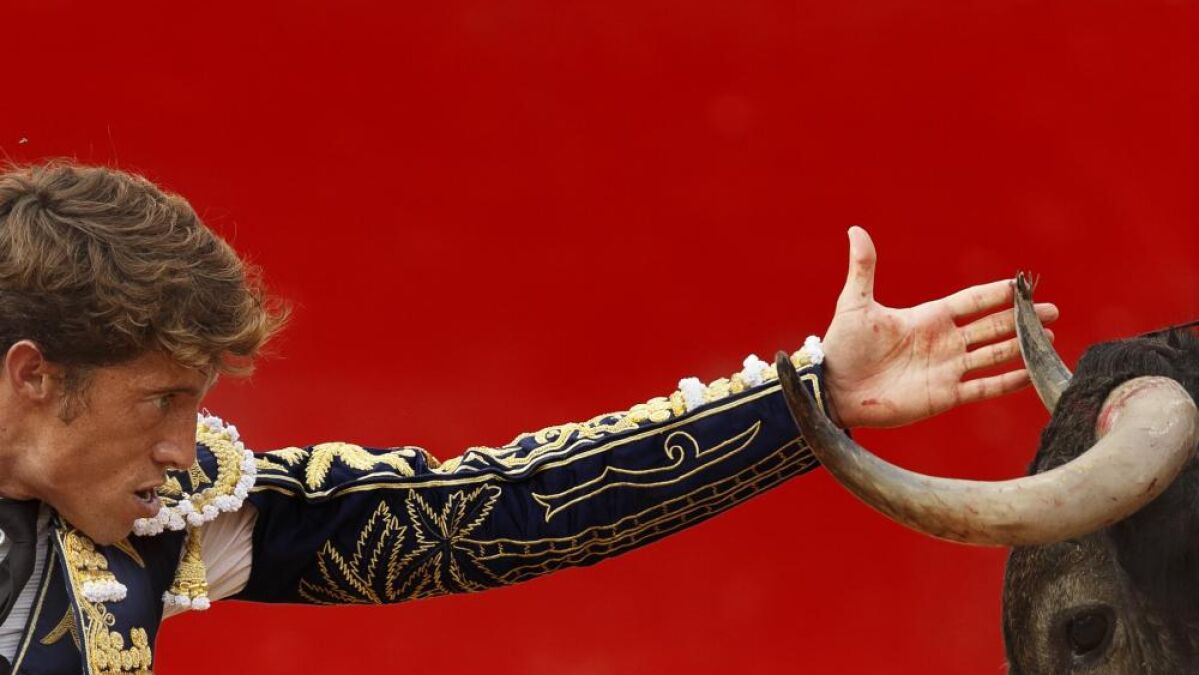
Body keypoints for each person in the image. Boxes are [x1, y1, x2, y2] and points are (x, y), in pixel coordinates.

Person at [0, 162, 1057, 674]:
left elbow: (496, 513)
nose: (185, 448)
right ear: (33, 375)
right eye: (160, 400)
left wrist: (810, 398)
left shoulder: (163, 519)